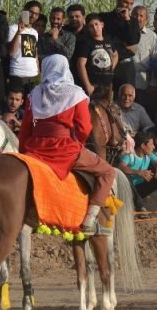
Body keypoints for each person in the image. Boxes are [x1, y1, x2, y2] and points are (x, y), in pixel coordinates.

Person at [18, 55, 116, 235]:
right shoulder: (76, 94)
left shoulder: (34, 94)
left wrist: (23, 153)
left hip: (35, 148)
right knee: (108, 171)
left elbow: (25, 129)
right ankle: (90, 220)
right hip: (65, 148)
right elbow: (84, 128)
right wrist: (77, 143)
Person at [117, 131, 157, 212]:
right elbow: (120, 167)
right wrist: (139, 172)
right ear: (143, 145)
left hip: (140, 189)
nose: (154, 147)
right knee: (126, 176)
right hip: (128, 191)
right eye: (151, 144)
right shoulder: (130, 155)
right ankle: (140, 206)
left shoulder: (149, 155)